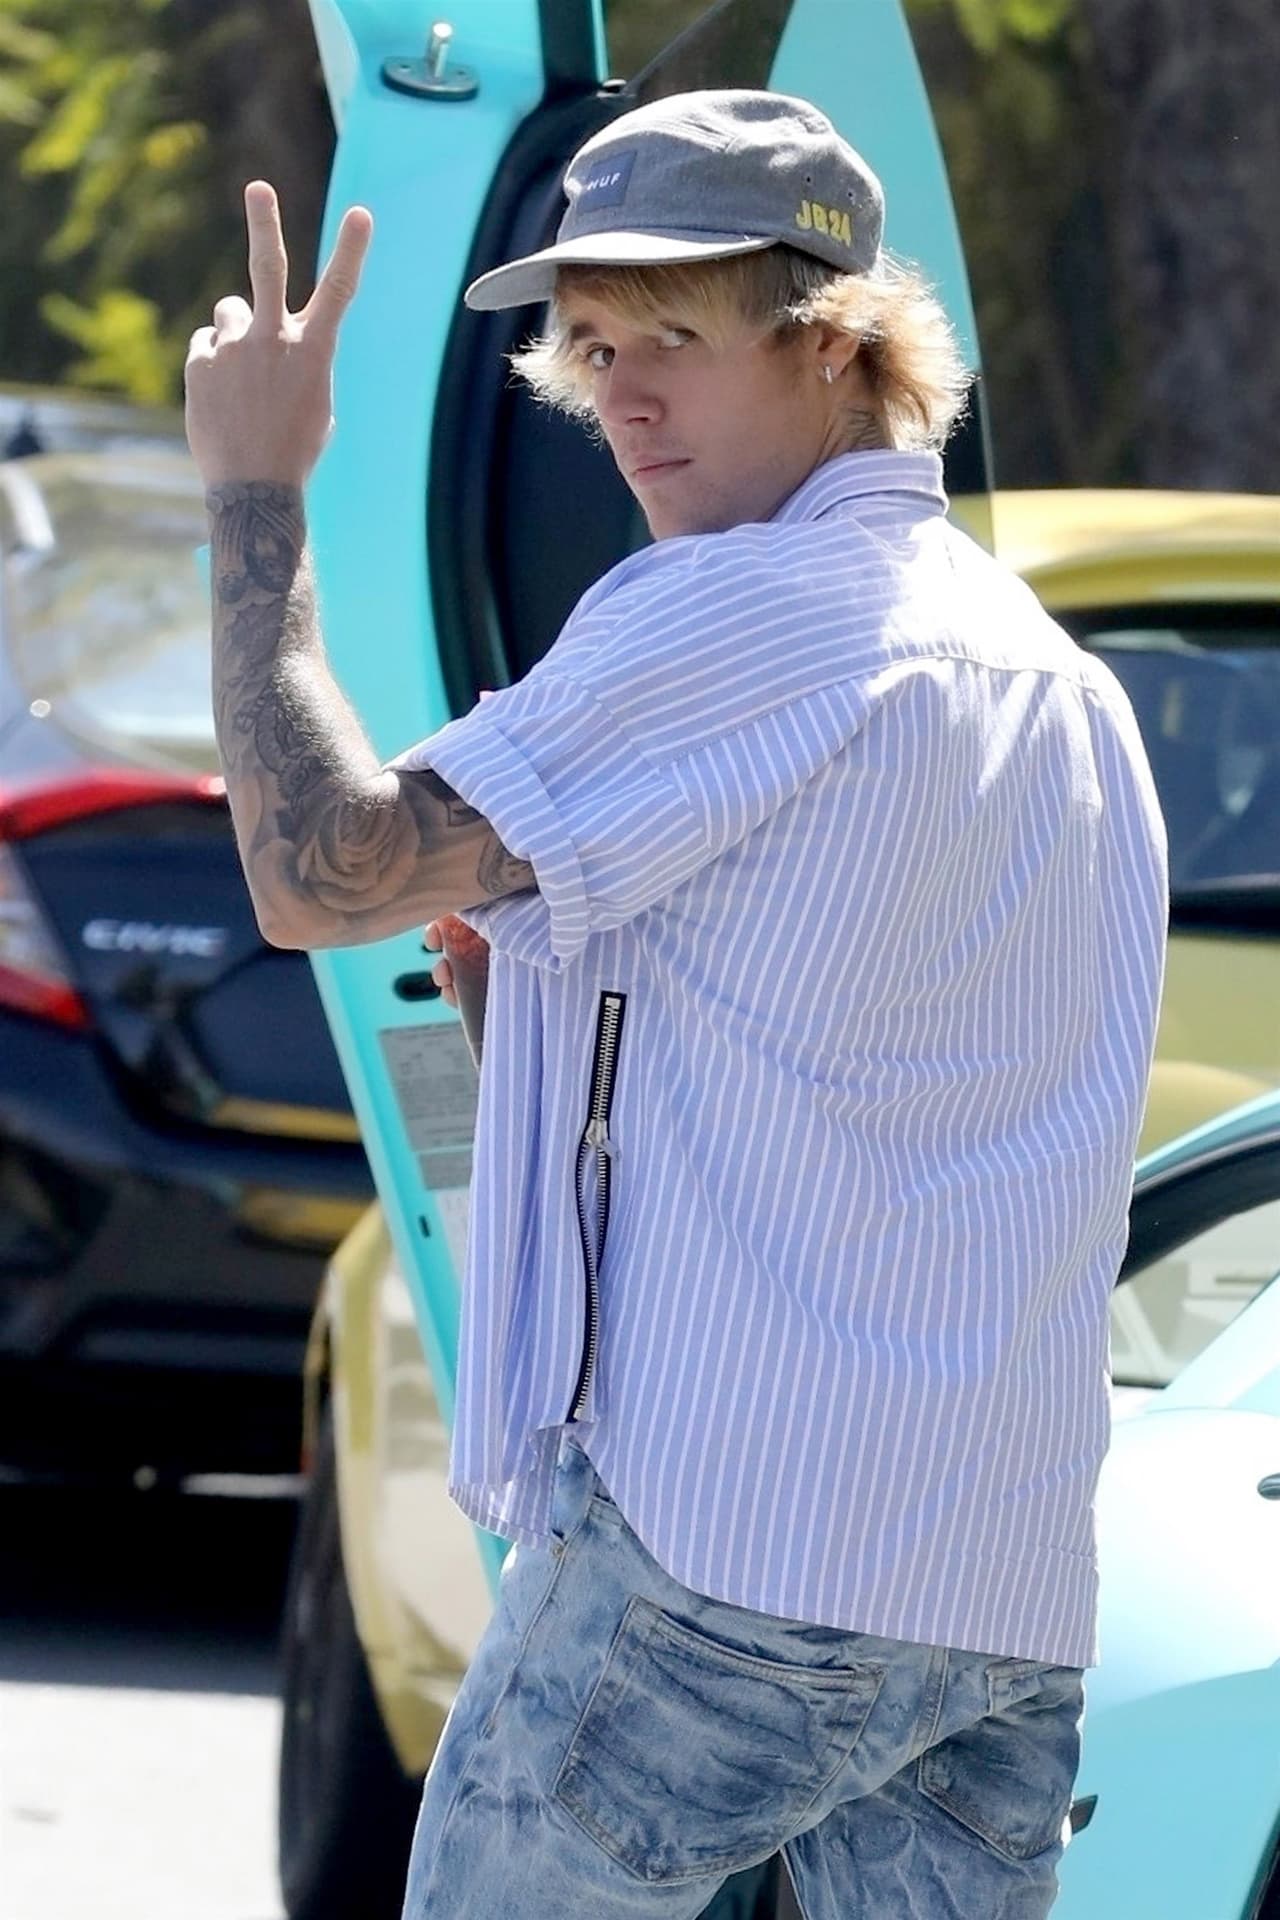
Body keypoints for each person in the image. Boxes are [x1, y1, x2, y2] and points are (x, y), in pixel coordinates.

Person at [184, 89, 1167, 1920]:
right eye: (592, 347)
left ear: (839, 341)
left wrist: (256, 488)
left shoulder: (732, 610)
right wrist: (541, 1041)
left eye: (676, 344)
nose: (620, 402)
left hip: (727, 1570)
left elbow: (312, 865)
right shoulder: (1061, 684)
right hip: (995, 1596)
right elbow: (865, 1098)